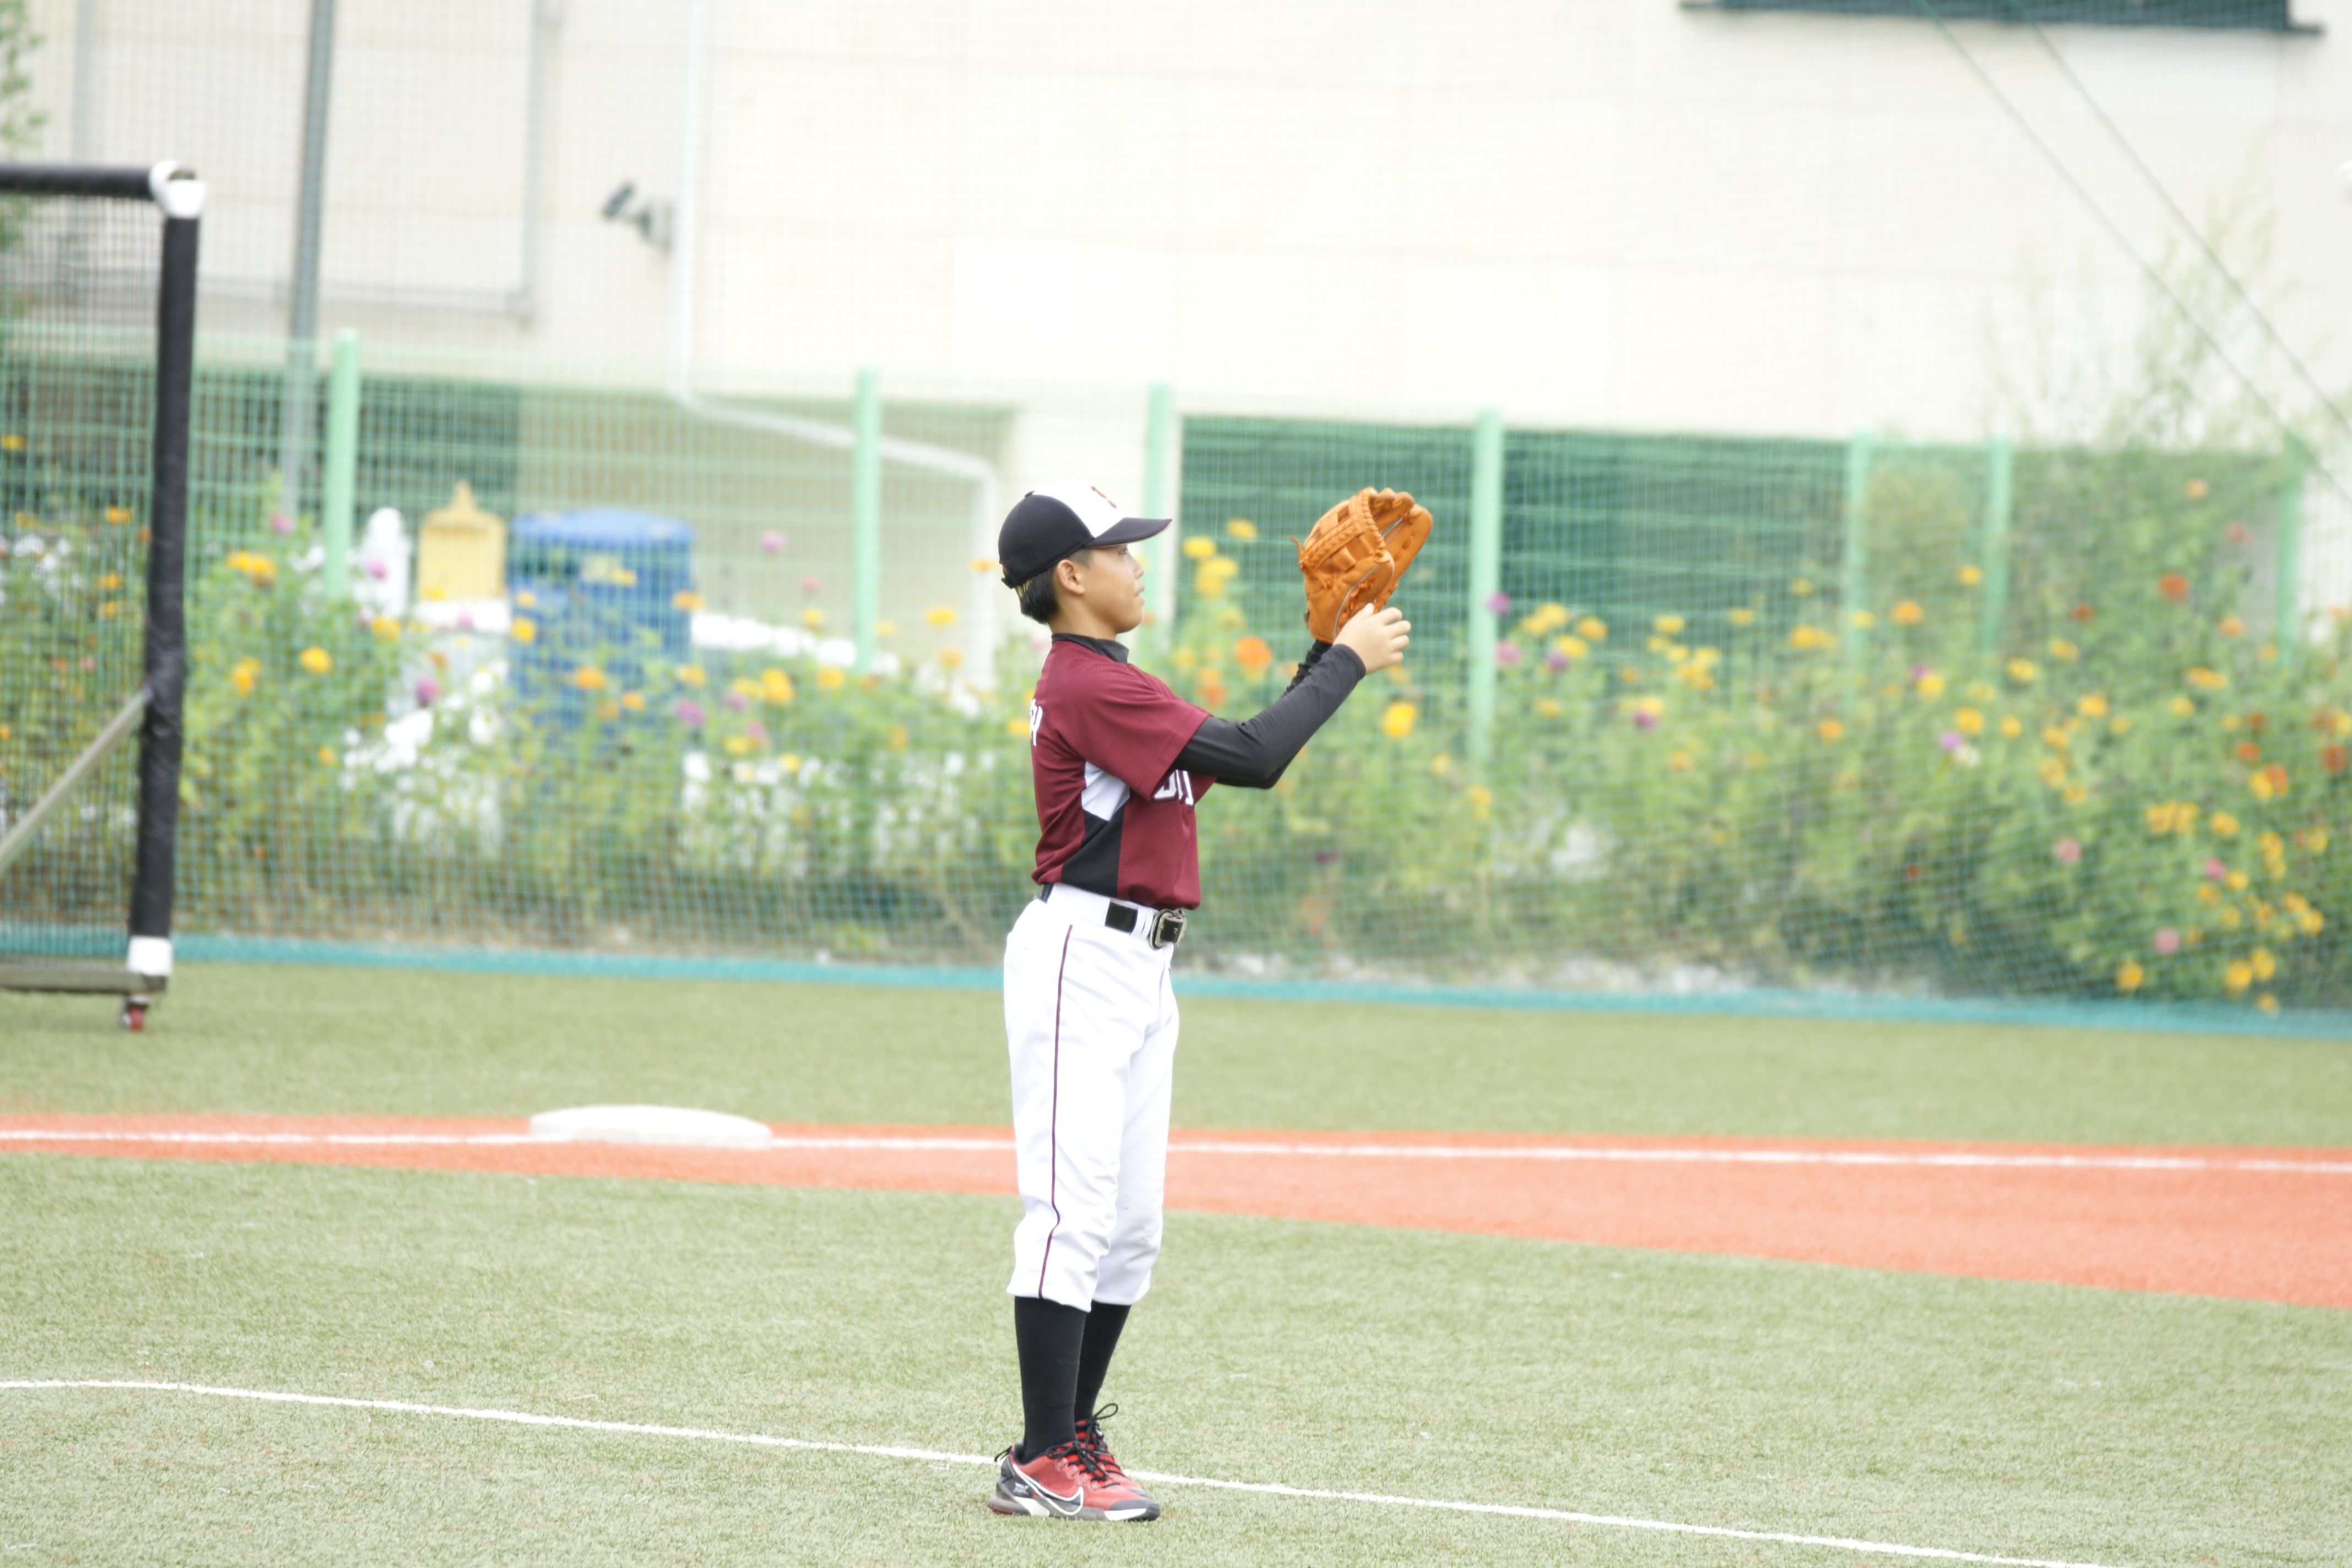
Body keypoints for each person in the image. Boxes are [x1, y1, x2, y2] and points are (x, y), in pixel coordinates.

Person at [985, 482, 1410, 1521]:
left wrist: (1318, 654)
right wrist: (1347, 660)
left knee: (1131, 1227)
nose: (1137, 564)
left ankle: (1072, 1437)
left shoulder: (1119, 680)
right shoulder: (1085, 680)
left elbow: (1227, 758)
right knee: (1071, 1212)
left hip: (1140, 967)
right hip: (1080, 956)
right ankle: (1040, 1458)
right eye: (1119, 551)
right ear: (1071, 576)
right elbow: (1258, 759)